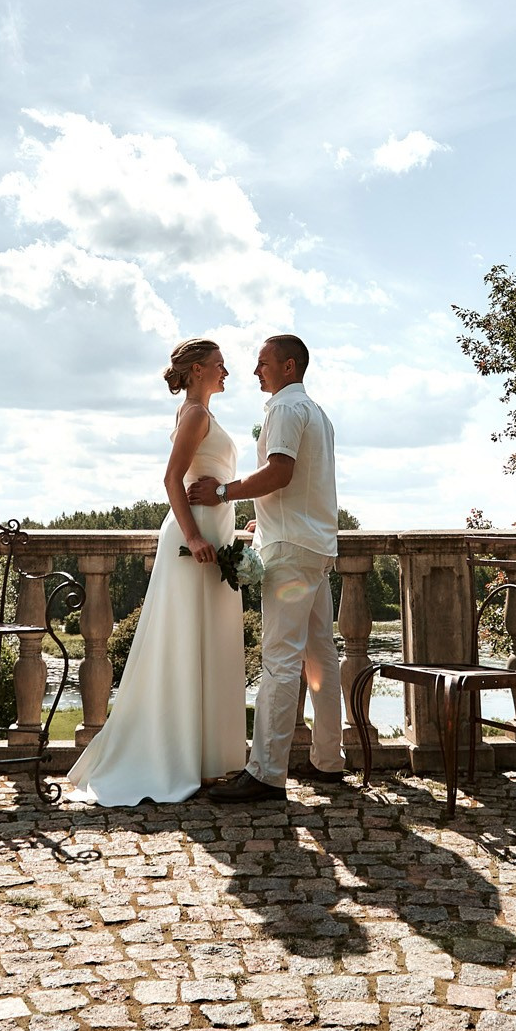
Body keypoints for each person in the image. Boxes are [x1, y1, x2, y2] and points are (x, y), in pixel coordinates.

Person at [64, 338, 248, 805]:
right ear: (198, 370)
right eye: (220, 365)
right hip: (196, 542)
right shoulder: (195, 415)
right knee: (186, 641)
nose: (227, 372)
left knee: (206, 641)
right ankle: (182, 758)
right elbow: (172, 479)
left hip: (214, 536)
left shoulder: (199, 413)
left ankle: (207, 760)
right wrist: (194, 537)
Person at [191, 334, 347, 803]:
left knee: (280, 660)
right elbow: (300, 484)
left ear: (288, 366)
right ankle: (328, 761)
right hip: (314, 546)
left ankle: (265, 773)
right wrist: (268, 513)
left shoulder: (283, 409)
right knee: (321, 656)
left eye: (263, 363)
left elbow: (281, 472)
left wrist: (222, 493)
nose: (256, 371)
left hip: (291, 552)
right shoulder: (317, 413)